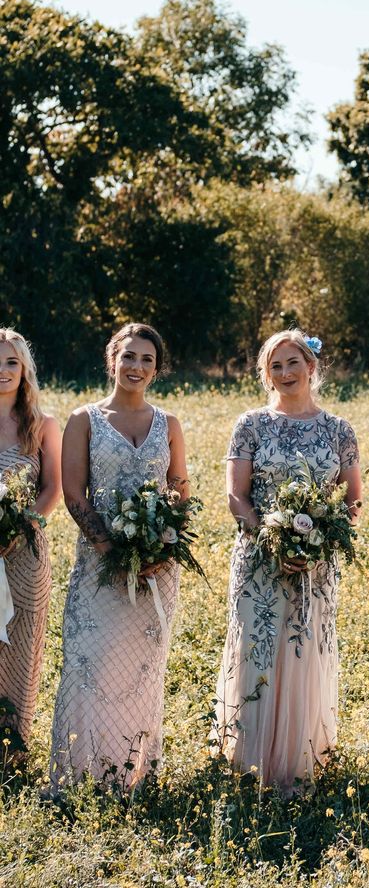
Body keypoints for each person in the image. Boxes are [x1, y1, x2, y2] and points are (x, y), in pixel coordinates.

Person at [215, 330, 361, 790]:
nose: (285, 373)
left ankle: (300, 758)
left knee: (302, 651)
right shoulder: (251, 424)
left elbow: (353, 502)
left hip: (315, 567)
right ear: (265, 373)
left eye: (293, 362)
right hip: (259, 559)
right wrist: (271, 537)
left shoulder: (339, 430)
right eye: (275, 366)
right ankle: (249, 759)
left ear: (312, 367)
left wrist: (318, 542)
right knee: (258, 648)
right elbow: (236, 496)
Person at [50, 323, 189, 789]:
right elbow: (74, 494)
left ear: (157, 368)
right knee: (92, 661)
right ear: (113, 360)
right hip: (98, 564)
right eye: (129, 356)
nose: (137, 367)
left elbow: (180, 491)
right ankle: (82, 777)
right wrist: (112, 552)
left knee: (142, 668)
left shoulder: (169, 424)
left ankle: (134, 774)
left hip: (156, 570)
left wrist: (161, 546)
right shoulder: (83, 419)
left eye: (147, 359)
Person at [0, 329, 61, 753]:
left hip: (24, 554)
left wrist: (17, 528)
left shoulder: (43, 425)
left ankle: (11, 745)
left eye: (11, 363)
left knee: (21, 647)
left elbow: (53, 489)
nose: (3, 372)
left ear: (24, 371)